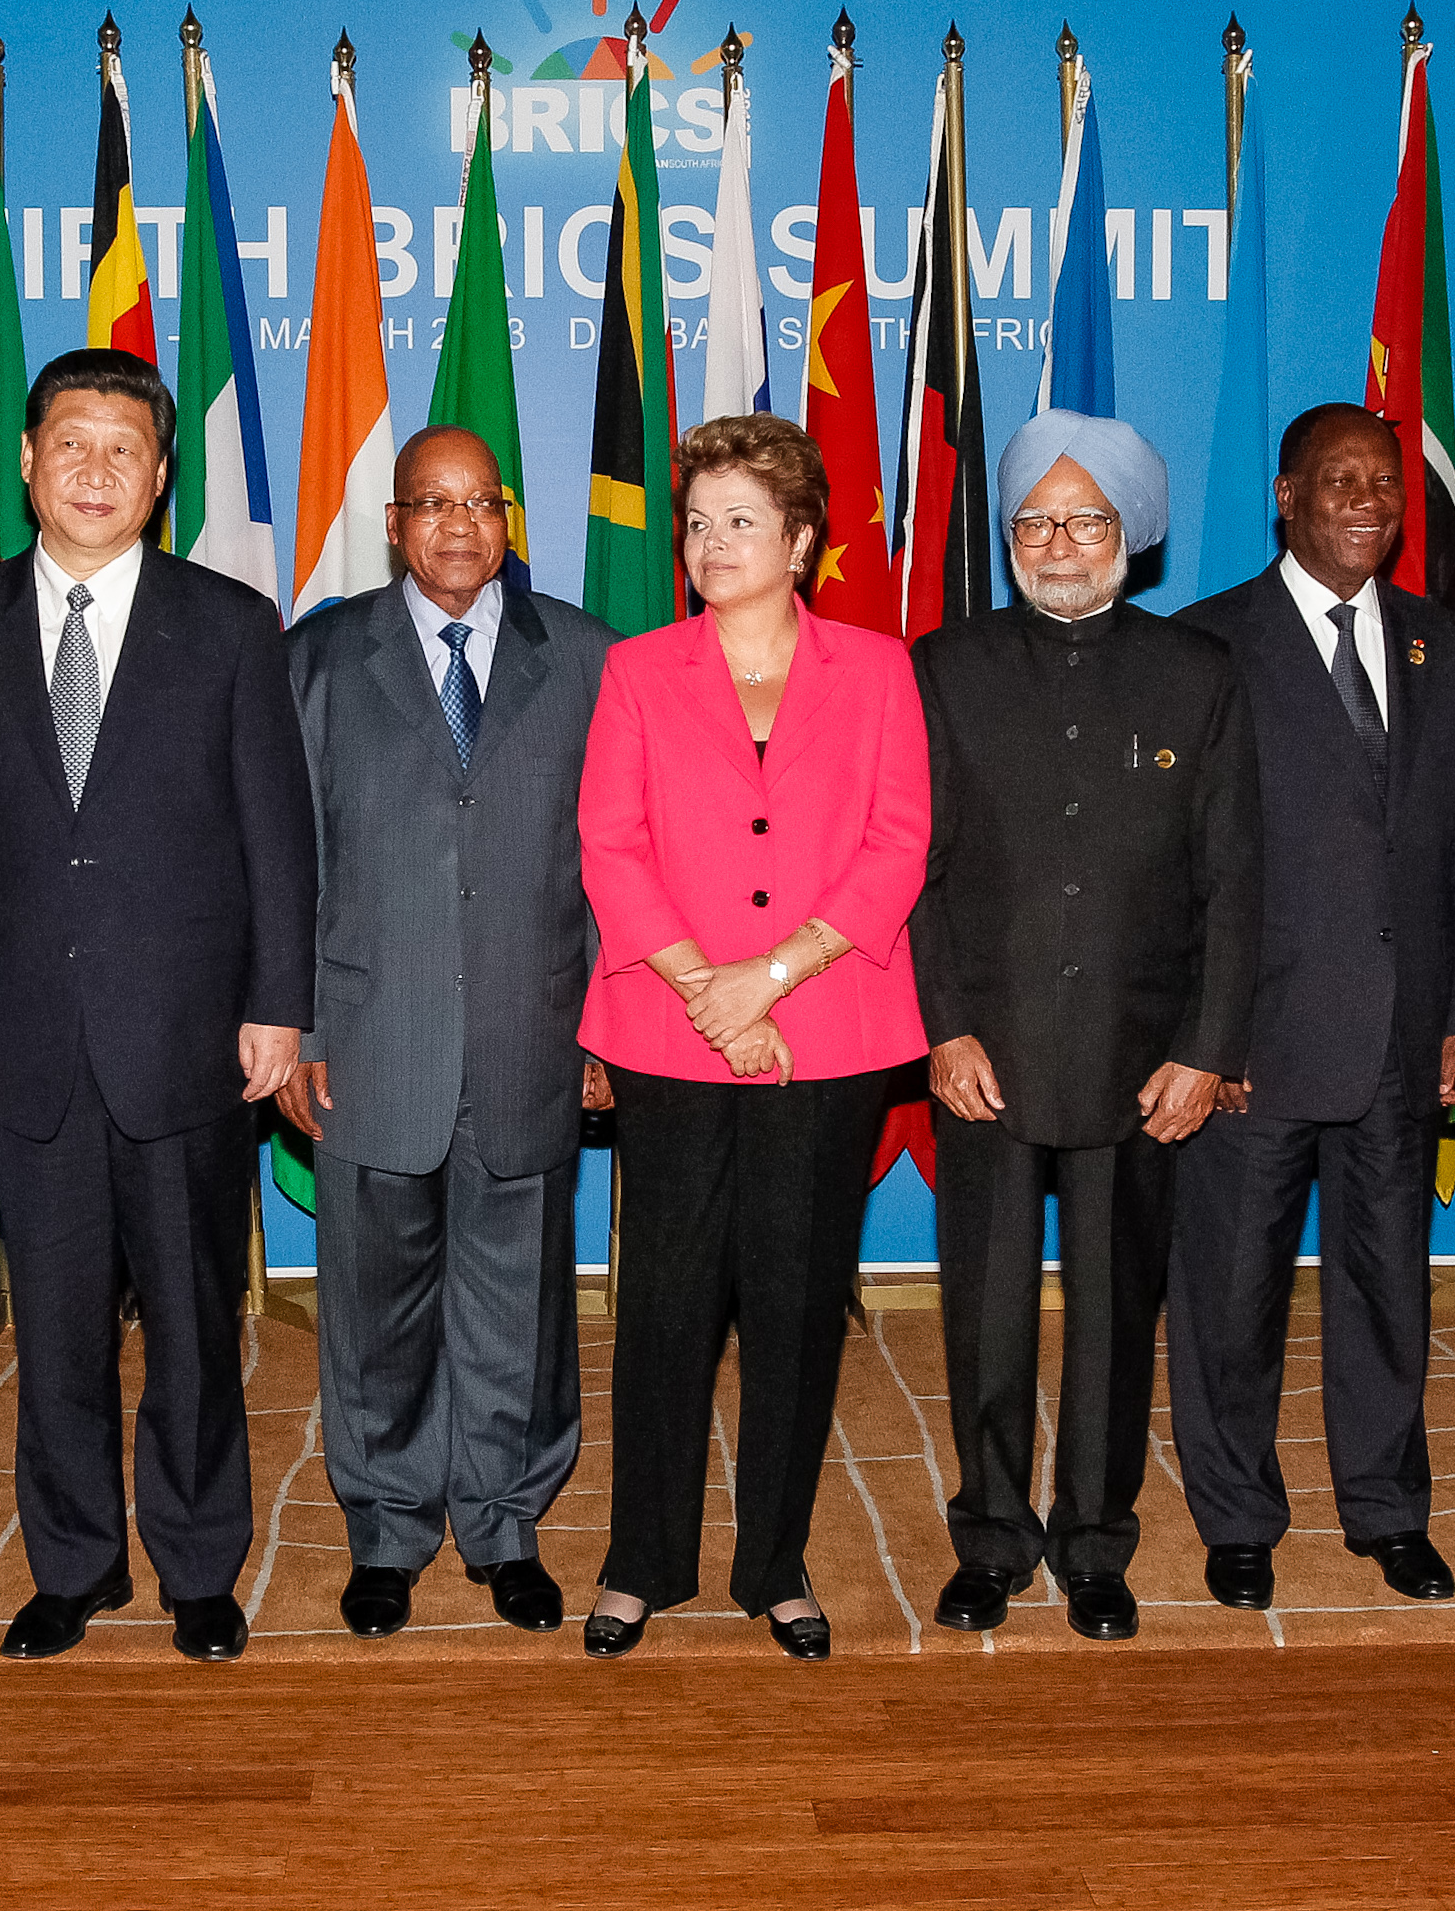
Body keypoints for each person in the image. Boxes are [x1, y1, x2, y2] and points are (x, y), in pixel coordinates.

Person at [0, 348, 316, 1664]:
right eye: (69, 443)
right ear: (26, 461)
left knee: (196, 1326)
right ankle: (72, 1564)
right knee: (61, 1329)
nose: (94, 469)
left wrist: (277, 1003)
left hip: (188, 1035)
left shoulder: (226, 621)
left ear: (160, 474)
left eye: (122, 448)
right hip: (23, 1034)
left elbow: (277, 835)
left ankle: (200, 1566)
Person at [575, 412, 932, 1661]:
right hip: (669, 1035)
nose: (711, 542)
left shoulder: (880, 670)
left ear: (801, 540)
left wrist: (769, 980)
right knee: (666, 1301)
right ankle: (642, 1559)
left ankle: (772, 1562)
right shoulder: (636, 669)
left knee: (790, 1304)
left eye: (740, 521)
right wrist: (705, 992)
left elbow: (897, 845)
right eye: (696, 522)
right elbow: (609, 846)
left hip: (826, 1033)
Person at [910, 410, 1259, 1641]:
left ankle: (1096, 1544)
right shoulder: (942, 666)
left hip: (1139, 1062)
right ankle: (993, 1538)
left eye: (1085, 519)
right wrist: (944, 1029)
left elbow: (1235, 884)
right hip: (985, 1062)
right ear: (1009, 536)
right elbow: (919, 872)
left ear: (1129, 535)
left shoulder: (1200, 673)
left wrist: (1205, 1053)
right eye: (1035, 521)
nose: (1059, 543)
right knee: (986, 1313)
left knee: (1117, 1320)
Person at [278, 425, 619, 1640]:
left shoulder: (582, 656)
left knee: (516, 1305)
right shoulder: (316, 658)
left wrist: (606, 1026)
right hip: (366, 1040)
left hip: (535, 1036)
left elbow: (614, 868)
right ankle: (385, 1527)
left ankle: (506, 1523)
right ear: (392, 522)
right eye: (432, 504)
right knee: (374, 1306)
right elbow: (285, 866)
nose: (459, 527)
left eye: (480, 503)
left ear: (509, 517)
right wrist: (294, 1026)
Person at [1168, 402, 1455, 1612]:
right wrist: (1207, 1038)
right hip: (1252, 1044)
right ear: (1284, 495)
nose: (1365, 500)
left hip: (1405, 1041)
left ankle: (1387, 1506)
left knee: (1386, 1283)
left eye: (1384, 484)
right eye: (1338, 479)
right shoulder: (1204, 646)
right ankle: (1237, 1514)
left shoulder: (1443, 648)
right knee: (1231, 1292)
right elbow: (1184, 873)